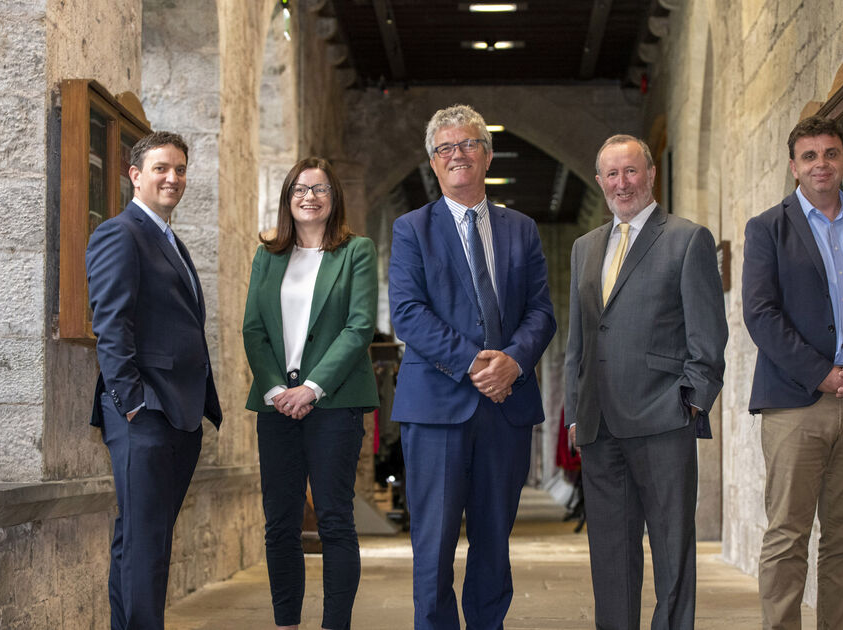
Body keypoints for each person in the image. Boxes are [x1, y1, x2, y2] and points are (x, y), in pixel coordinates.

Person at [388, 103, 556, 630]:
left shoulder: (522, 229)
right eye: (445, 148)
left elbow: (541, 311)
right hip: (436, 407)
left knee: (494, 541)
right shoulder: (412, 229)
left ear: (487, 155)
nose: (457, 154)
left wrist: (513, 361)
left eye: (467, 144)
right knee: (434, 543)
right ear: (433, 163)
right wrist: (474, 363)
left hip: (506, 408)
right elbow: (407, 313)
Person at [743, 115, 843, 630]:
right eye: (809, 156)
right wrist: (822, 374)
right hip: (797, 404)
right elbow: (761, 314)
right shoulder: (768, 228)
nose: (821, 164)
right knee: (787, 536)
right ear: (794, 167)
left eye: (831, 153)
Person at [564, 134, 727, 630]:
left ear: (651, 174)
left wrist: (690, 403)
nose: (622, 183)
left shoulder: (687, 239)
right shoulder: (584, 248)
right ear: (600, 181)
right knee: (610, 557)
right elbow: (578, 341)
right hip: (599, 426)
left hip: (663, 420)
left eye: (631, 171)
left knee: (672, 552)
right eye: (612, 174)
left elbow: (708, 336)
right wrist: (575, 412)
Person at [86, 130, 222, 629]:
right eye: (161, 168)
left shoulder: (169, 240)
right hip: (144, 414)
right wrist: (131, 403)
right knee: (145, 546)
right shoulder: (120, 233)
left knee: (144, 542)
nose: (173, 178)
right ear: (135, 175)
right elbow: (111, 325)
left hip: (179, 413)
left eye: (180, 169)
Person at [242, 157, 380, 630]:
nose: (310, 197)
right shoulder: (267, 255)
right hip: (276, 405)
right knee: (280, 523)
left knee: (335, 520)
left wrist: (312, 388)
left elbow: (359, 327)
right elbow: (253, 329)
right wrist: (277, 389)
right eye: (300, 189)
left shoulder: (356, 251)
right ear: (288, 198)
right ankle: (287, 623)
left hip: (334, 403)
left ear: (333, 198)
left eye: (320, 189)